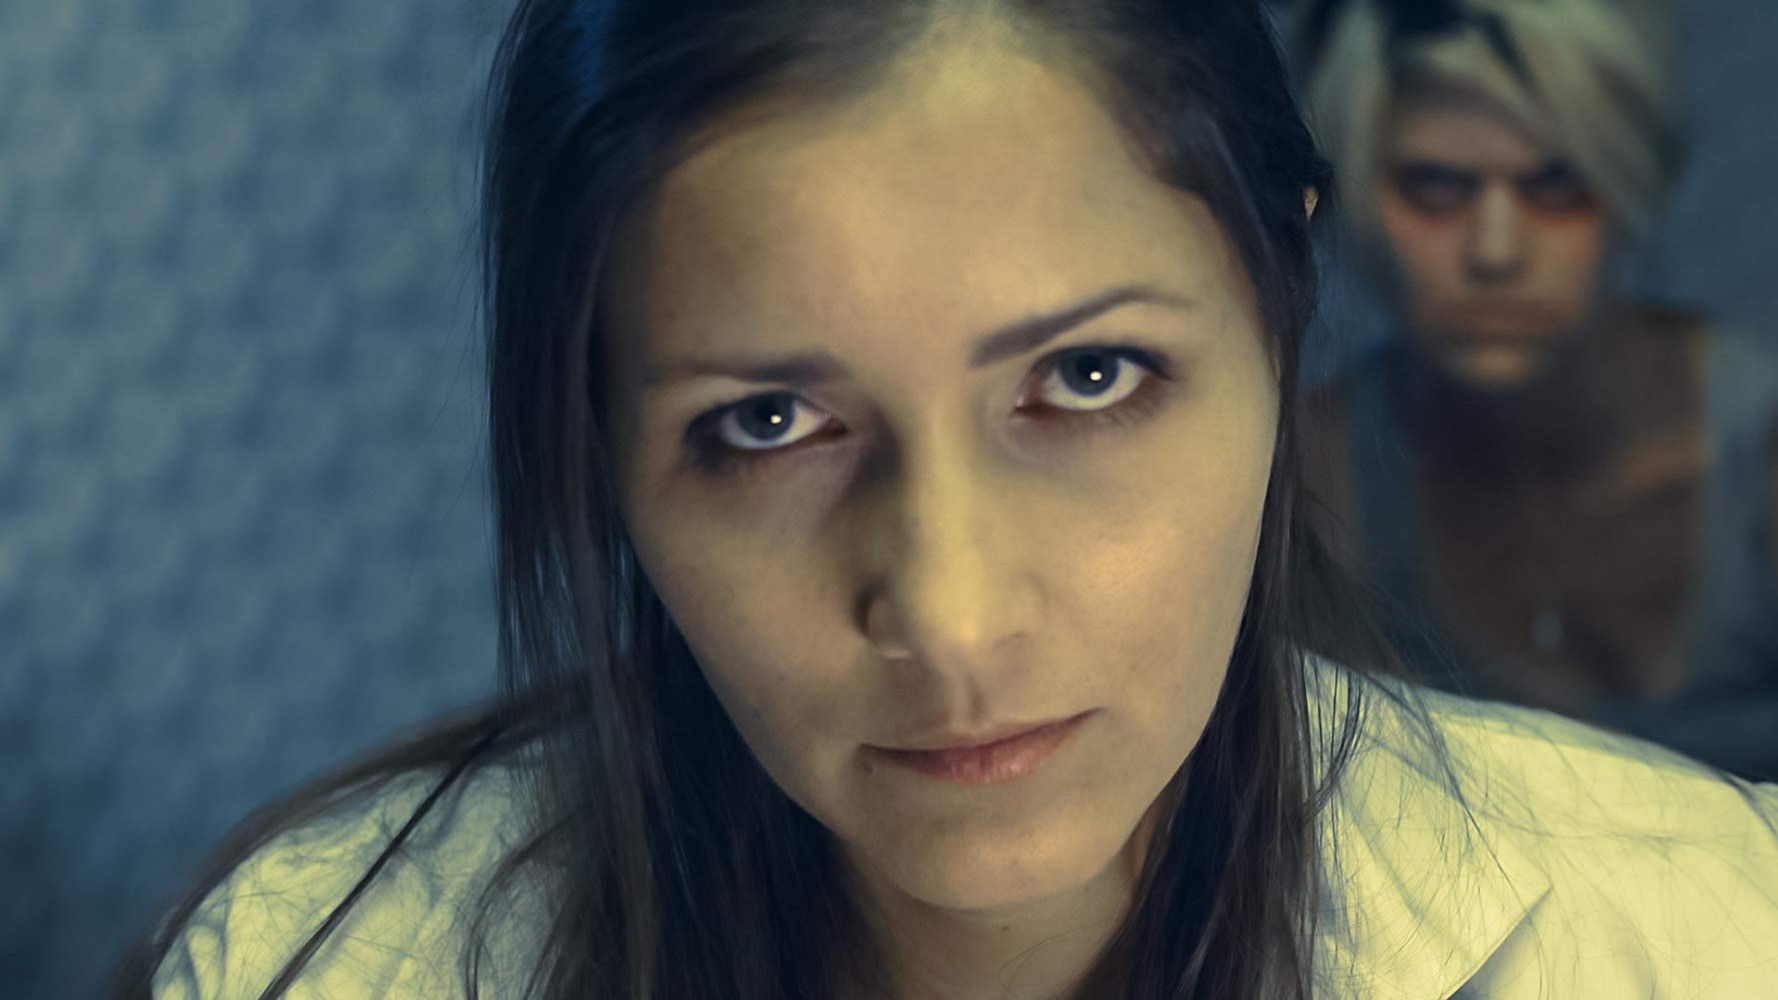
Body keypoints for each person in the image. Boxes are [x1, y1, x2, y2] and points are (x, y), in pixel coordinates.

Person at [106, 2, 1778, 998]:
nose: (952, 614)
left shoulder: (1688, 934)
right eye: (766, 422)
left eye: (1087, 378)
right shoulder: (328, 968)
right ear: (600, 443)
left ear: (1278, 311)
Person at [1292, 0, 1778, 780]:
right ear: (1359, 198)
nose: (1496, 251)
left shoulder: (1760, 458)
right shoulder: (1315, 480)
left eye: (1556, 184)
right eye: (1437, 186)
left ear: (1624, 187)